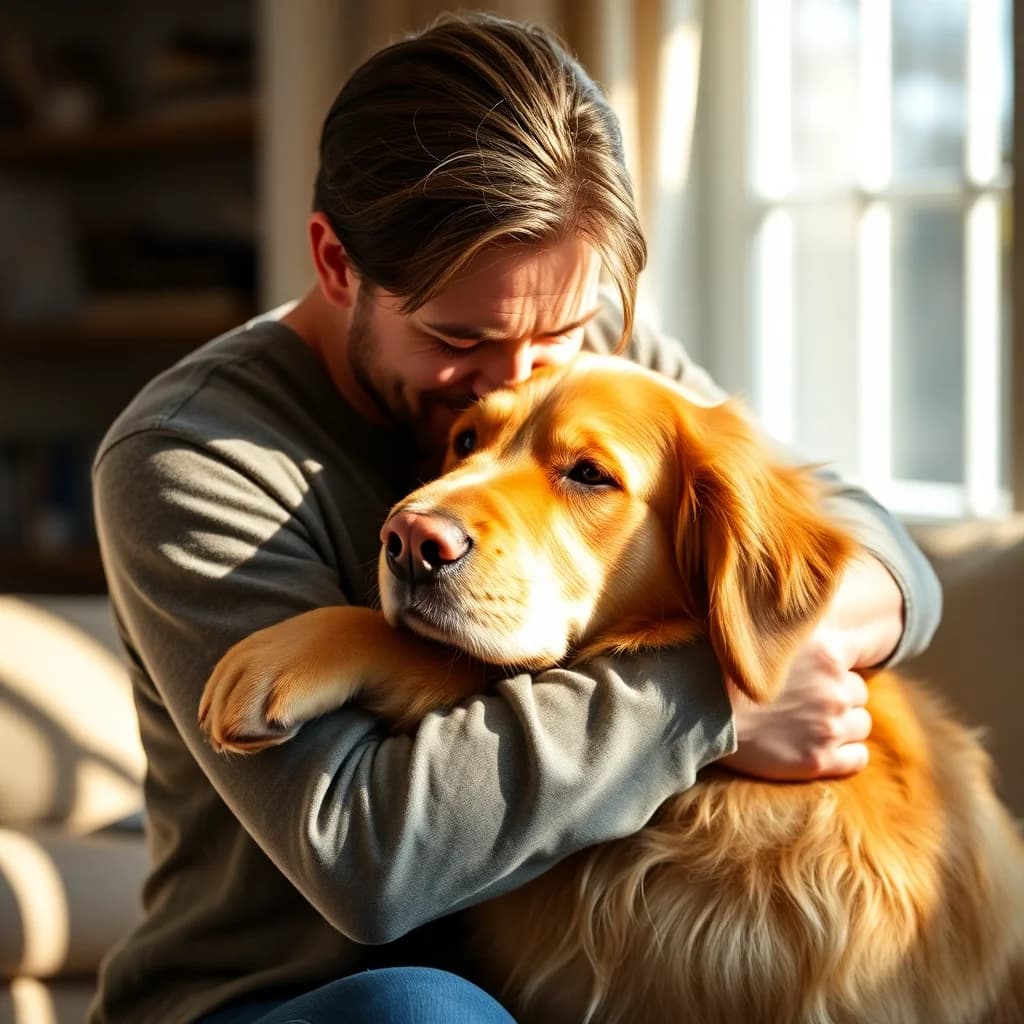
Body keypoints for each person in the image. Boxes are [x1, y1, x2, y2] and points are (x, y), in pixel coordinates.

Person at [88, 12, 941, 1024]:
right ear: (334, 264)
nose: (518, 377)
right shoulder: (192, 457)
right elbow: (365, 862)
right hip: (280, 998)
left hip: (533, 976)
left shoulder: (566, 358)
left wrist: (769, 638)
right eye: (460, 337)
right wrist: (714, 700)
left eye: (564, 329)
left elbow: (889, 567)